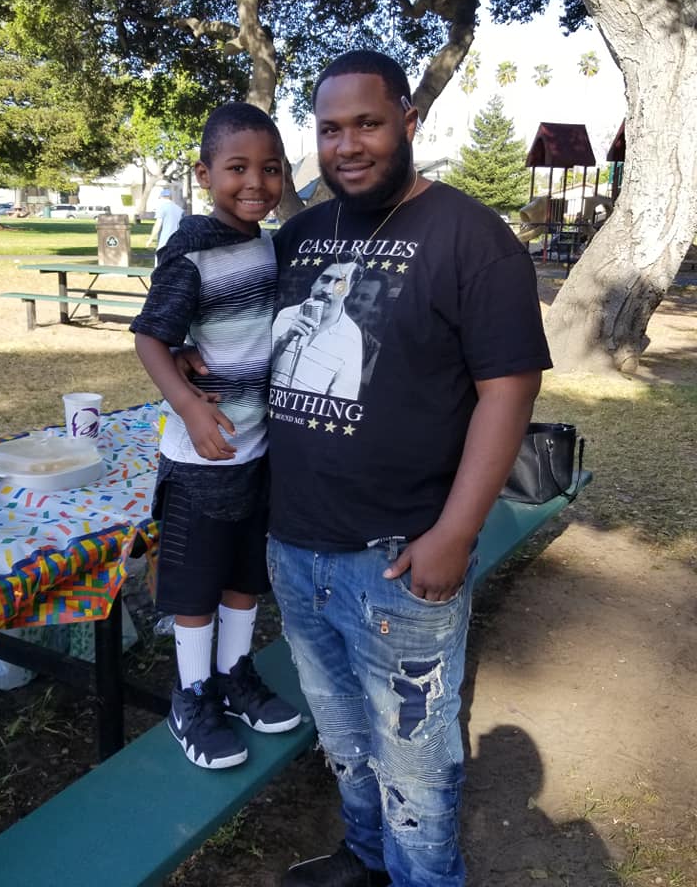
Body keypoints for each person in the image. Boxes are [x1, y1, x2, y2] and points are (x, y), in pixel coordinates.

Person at [178, 50, 552, 885]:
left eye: (368, 124)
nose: (347, 145)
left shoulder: (473, 239)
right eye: (331, 129)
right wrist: (201, 366)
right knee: (343, 735)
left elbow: (508, 391)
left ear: (408, 123)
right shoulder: (303, 235)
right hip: (296, 545)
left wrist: (456, 533)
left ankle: (423, 876)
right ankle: (366, 856)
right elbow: (242, 328)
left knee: (415, 763)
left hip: (400, 560)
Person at [130, 102, 301, 771]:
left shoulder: (265, 241)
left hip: (255, 453)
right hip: (201, 460)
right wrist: (188, 406)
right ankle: (192, 695)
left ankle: (234, 678)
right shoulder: (193, 248)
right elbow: (150, 336)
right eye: (237, 168)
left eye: (270, 168)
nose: (255, 181)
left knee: (242, 580)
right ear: (204, 174)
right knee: (197, 590)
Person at [271, 253, 363, 398]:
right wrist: (283, 341)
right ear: (314, 281)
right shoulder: (286, 315)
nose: (327, 290)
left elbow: (342, 398)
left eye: (340, 283)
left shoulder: (352, 336)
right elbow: (255, 375)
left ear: (349, 289)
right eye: (325, 279)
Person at [344, 268, 389, 387]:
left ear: (375, 305)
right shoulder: (318, 329)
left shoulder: (373, 350)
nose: (355, 302)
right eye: (353, 295)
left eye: (364, 298)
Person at [146, 188, 184, 258]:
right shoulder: (179, 209)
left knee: (160, 263)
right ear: (170, 197)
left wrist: (150, 240)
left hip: (164, 241)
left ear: (161, 197)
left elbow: (158, 225)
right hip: (177, 241)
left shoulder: (162, 207)